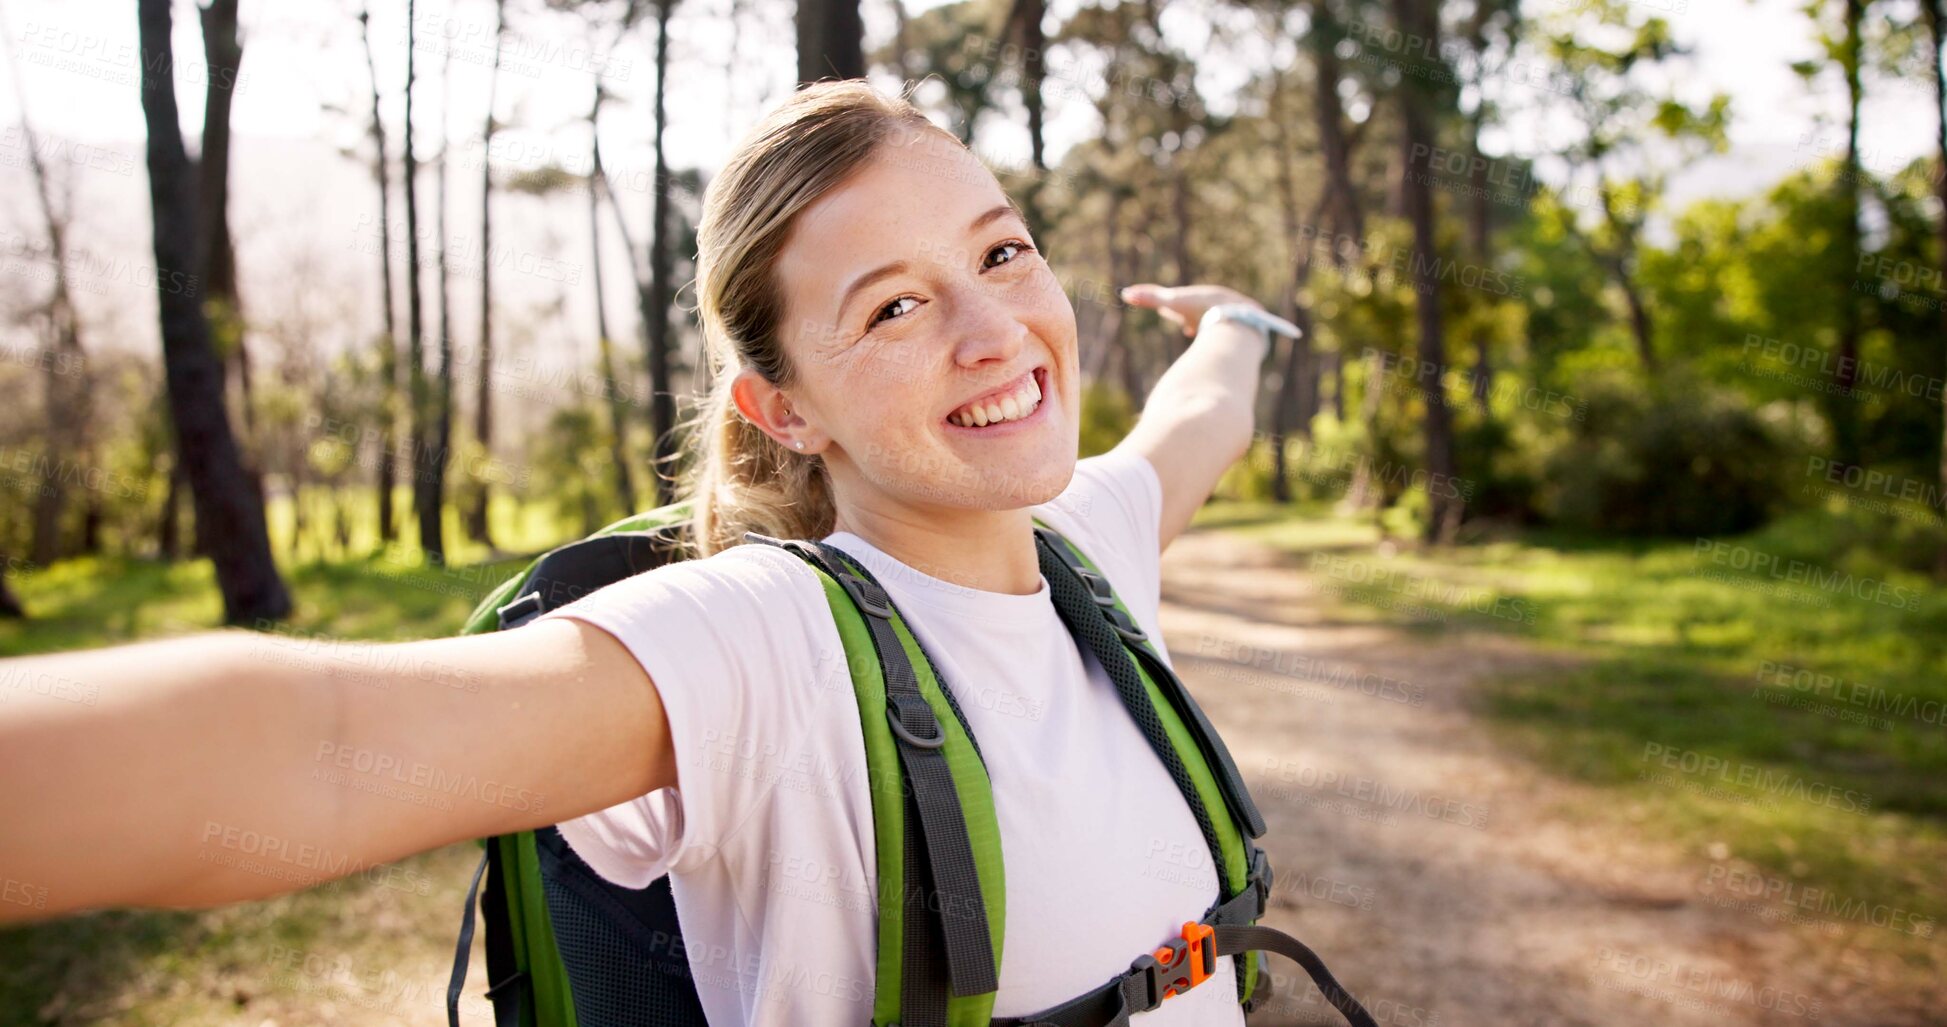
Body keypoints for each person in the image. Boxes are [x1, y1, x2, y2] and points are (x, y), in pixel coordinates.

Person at [0, 81, 1287, 1024]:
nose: (995, 329)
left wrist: (1229, 322)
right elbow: (316, 744)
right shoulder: (763, 646)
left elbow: (1202, 415)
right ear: (784, 410)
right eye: (892, 306)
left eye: (1001, 251)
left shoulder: (1088, 544)